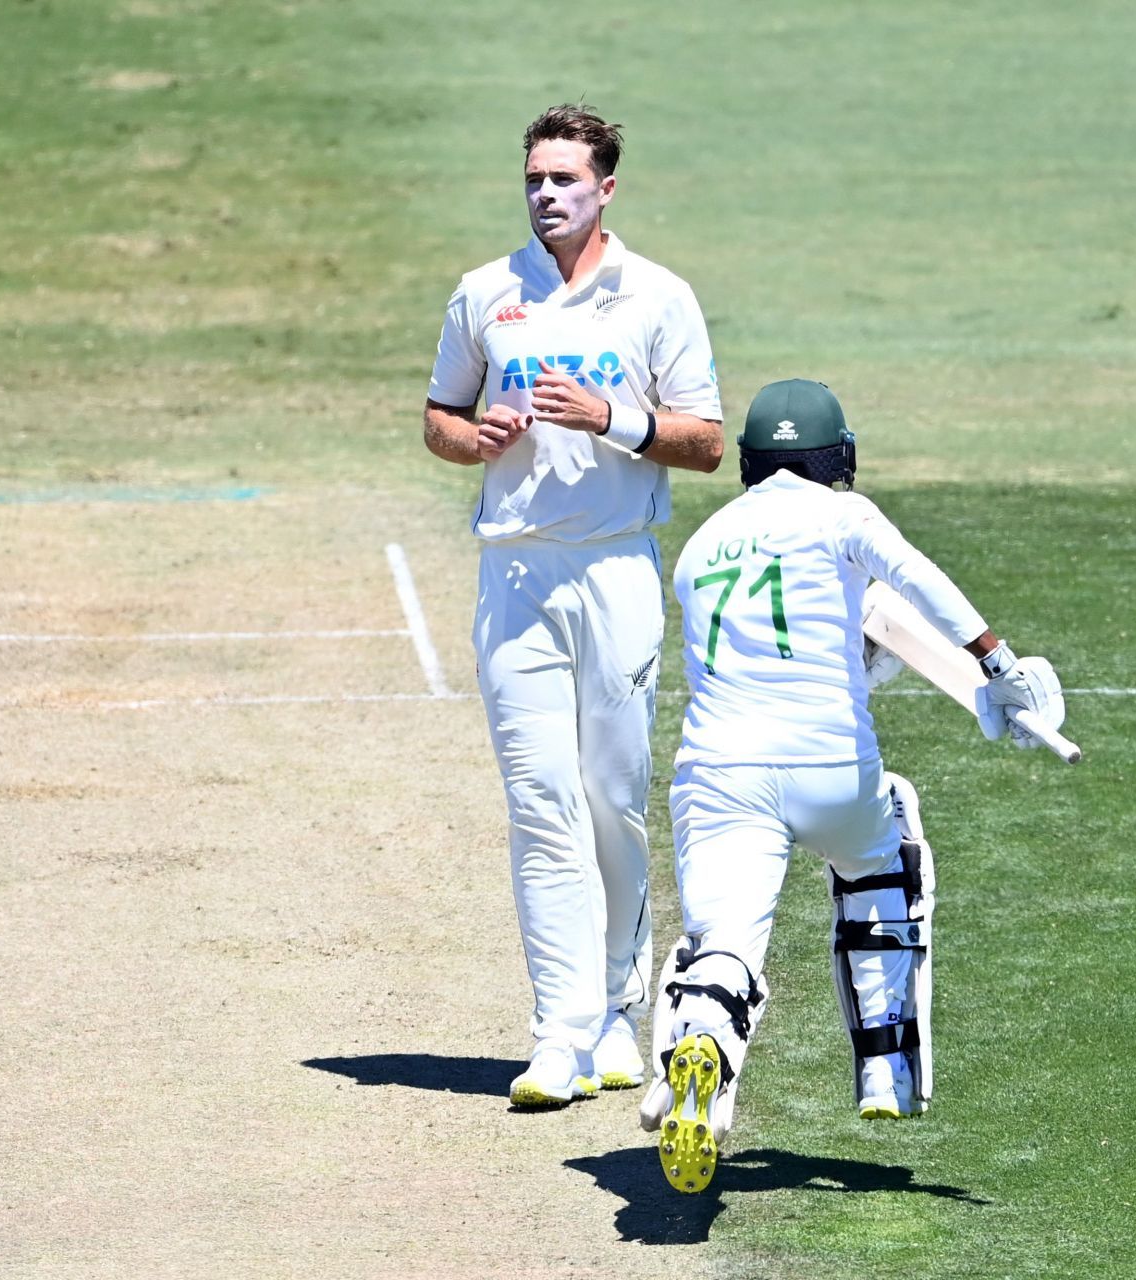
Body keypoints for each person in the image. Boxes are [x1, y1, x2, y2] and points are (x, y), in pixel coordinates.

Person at [638, 379, 1066, 1193]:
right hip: (831, 767)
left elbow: (776, 644)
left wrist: (865, 652)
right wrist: (996, 665)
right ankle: (882, 1070)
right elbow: (914, 578)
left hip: (719, 772)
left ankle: (702, 1039)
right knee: (883, 849)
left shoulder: (702, 549)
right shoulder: (841, 515)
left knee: (723, 941)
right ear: (839, 456)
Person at [422, 104, 725, 1107]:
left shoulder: (658, 297)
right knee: (539, 803)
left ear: (606, 187)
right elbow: (440, 417)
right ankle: (556, 1034)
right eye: (534, 179)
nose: (547, 193)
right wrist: (476, 440)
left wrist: (609, 417)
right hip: (516, 575)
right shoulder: (485, 293)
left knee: (612, 800)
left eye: (565, 179)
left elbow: (706, 441)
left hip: (617, 567)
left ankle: (615, 1012)